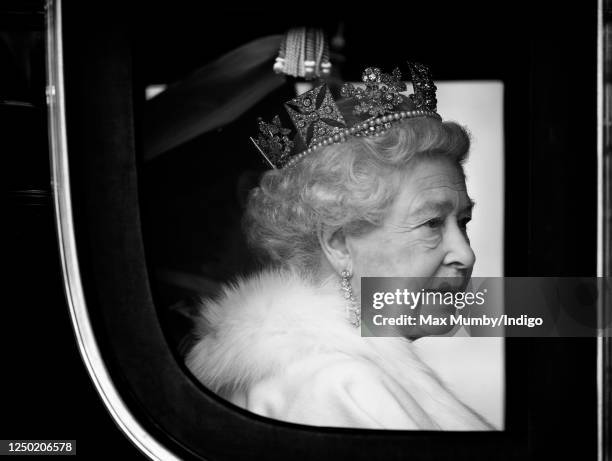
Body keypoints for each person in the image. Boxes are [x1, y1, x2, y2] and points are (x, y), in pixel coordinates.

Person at [185, 64, 492, 430]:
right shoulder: (336, 387)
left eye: (463, 223)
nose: (466, 254)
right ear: (339, 243)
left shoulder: (329, 373)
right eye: (431, 223)